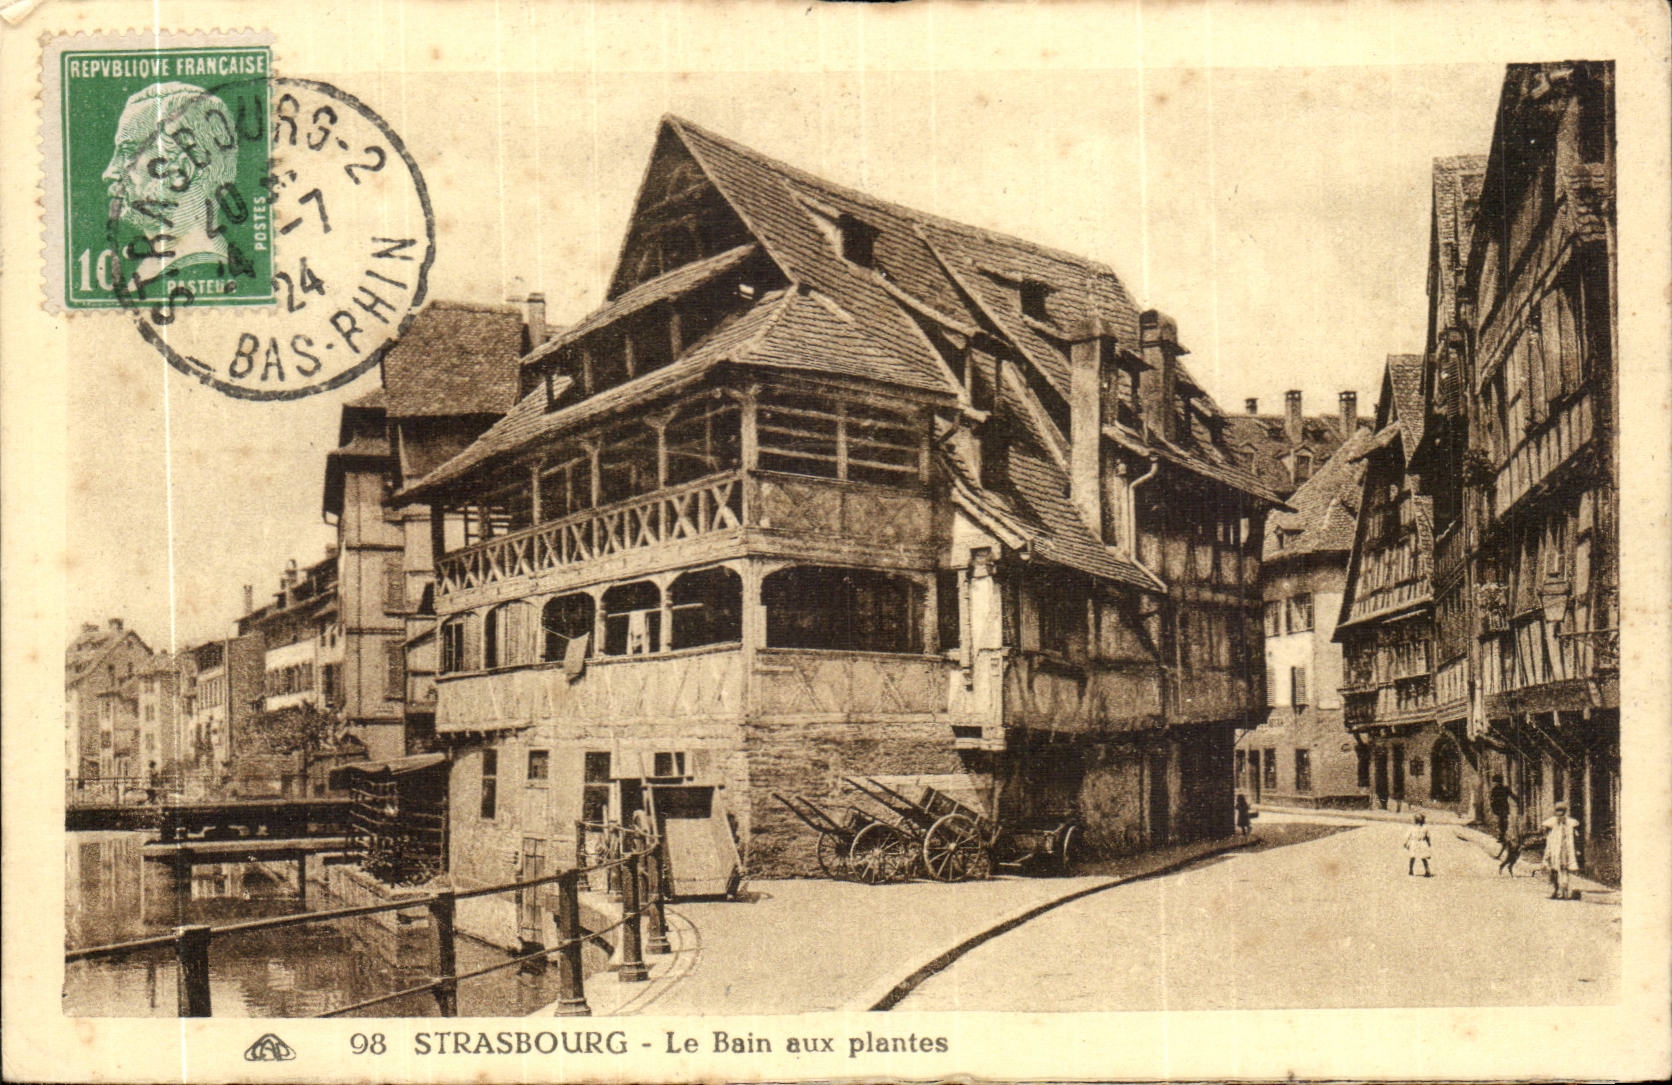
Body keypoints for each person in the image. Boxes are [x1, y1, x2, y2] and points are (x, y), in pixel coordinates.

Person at [1541, 801, 1581, 900]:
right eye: (1558, 811)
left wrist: (1576, 848)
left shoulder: (1570, 822)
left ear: (1565, 811)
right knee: (1553, 869)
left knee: (1564, 869)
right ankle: (1557, 890)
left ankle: (1564, 892)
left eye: (1561, 811)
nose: (1560, 813)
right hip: (1553, 849)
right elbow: (1545, 831)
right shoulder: (1552, 821)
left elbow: (1576, 837)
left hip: (1565, 850)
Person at [1488, 774, 1519, 847]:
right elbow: (1491, 799)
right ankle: (1501, 834)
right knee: (1500, 821)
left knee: (1504, 820)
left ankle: (1502, 834)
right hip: (1498, 807)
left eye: (1496, 782)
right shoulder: (1495, 789)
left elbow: (1511, 795)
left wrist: (1517, 800)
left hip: (1503, 807)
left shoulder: (1504, 788)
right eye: (1495, 782)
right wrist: (1492, 806)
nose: (1495, 783)